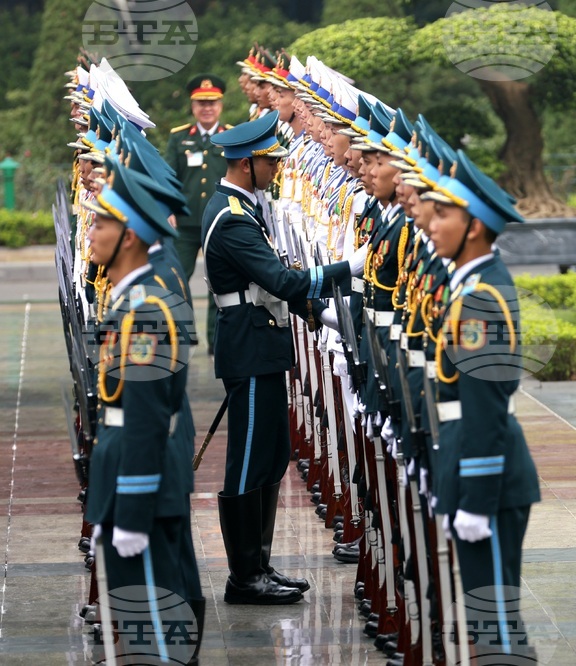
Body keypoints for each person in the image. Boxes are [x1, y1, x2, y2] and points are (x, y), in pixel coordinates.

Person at [202, 111, 351, 604]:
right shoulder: (231, 218)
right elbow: (283, 283)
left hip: (261, 347)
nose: (277, 169)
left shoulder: (244, 207)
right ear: (247, 164)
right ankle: (244, 577)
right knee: (247, 463)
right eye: (270, 162)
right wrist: (346, 269)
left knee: (268, 455)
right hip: (248, 349)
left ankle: (260, 567)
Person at [83, 157, 203, 665]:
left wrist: (129, 511)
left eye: (100, 222)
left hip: (141, 492)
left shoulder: (147, 311)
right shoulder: (134, 301)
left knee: (152, 634)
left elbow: (147, 419)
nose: (91, 232)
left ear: (129, 235)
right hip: (131, 480)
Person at [423, 150, 541, 662]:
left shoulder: (481, 300)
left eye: (442, 214)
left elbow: (486, 407)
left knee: (495, 630)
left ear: (474, 227)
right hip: (468, 463)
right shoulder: (470, 285)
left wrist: (476, 498)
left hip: (487, 478)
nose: (429, 224)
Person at [164, 74, 231, 354]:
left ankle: (218, 341)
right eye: (201, 103)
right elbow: (168, 177)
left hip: (219, 222)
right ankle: (184, 333)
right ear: (193, 106)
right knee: (176, 276)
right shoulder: (179, 138)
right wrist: (168, 208)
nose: (207, 108)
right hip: (187, 222)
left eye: (212, 103)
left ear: (221, 105)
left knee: (219, 282)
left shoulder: (230, 136)